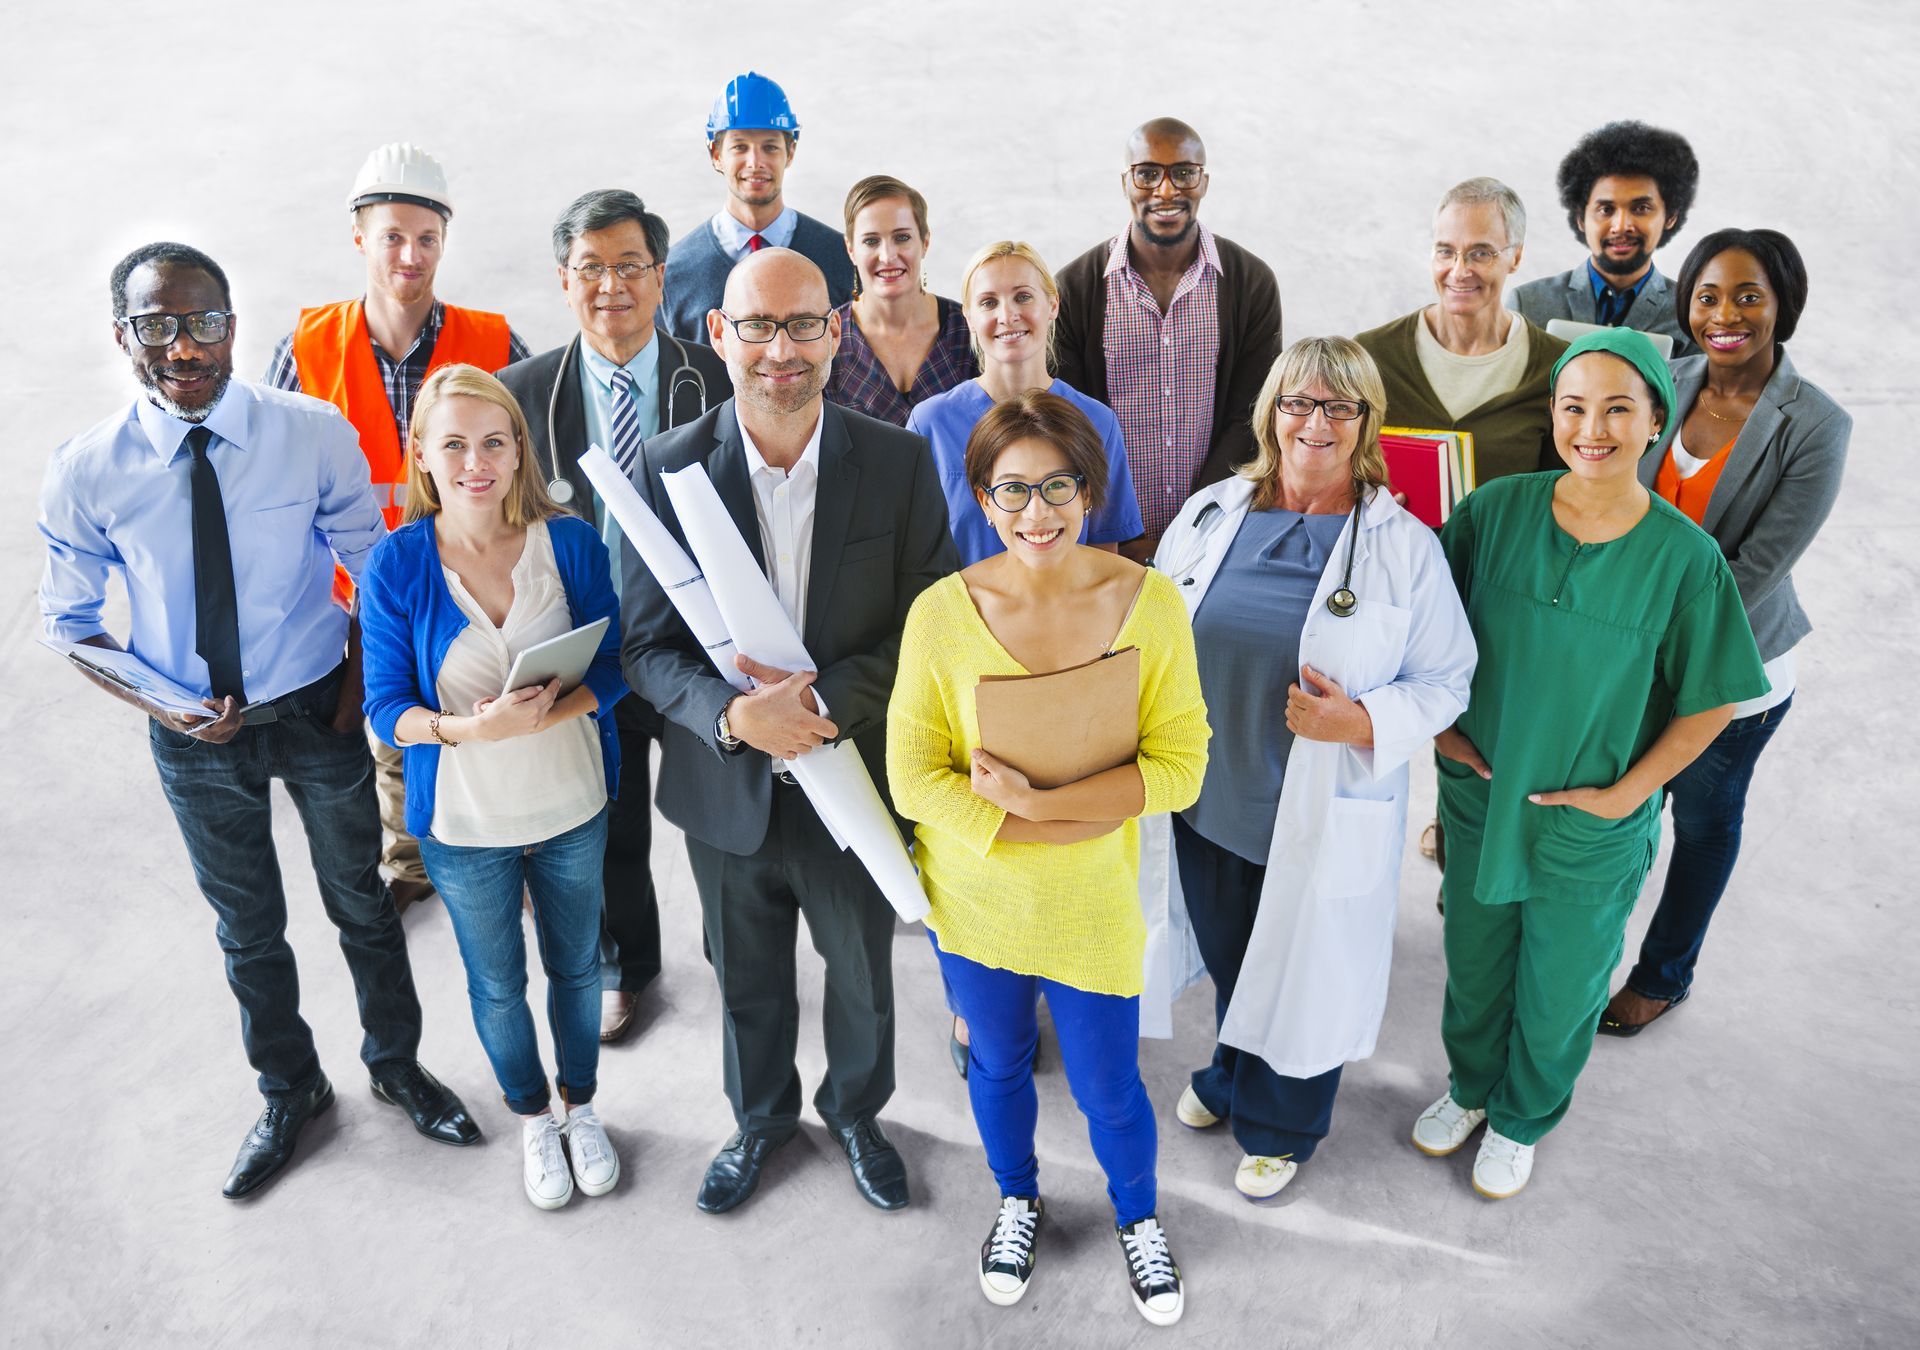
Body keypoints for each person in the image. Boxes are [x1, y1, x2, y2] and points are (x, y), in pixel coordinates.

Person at [38, 242, 477, 1200]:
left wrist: (362, 682)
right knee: (248, 928)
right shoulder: (87, 472)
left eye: (202, 321)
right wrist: (165, 704)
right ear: (125, 337)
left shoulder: (311, 433)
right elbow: (68, 626)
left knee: (363, 902)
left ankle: (396, 1065)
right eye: (157, 325)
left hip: (317, 708)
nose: (184, 345)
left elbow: (379, 570)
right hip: (194, 737)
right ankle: (290, 1089)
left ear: (232, 326)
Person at [620, 248, 957, 1217]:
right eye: (757, 327)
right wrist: (734, 718)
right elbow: (647, 650)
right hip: (725, 790)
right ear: (719, 336)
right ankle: (760, 1119)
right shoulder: (667, 467)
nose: (782, 350)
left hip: (850, 781)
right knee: (745, 977)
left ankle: (857, 1112)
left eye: (804, 324)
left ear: (836, 331)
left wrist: (825, 706)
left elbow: (926, 627)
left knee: (861, 974)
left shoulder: (895, 461)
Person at [1413, 329, 1768, 1200]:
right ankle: (1468, 1088)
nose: (1593, 427)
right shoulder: (1495, 513)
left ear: (1655, 420)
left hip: (1591, 824)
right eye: (1575, 407)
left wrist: (1629, 796)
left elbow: (1714, 698)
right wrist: (1439, 735)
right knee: (1477, 956)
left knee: (1563, 980)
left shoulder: (1685, 560)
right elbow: (1421, 630)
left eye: (1618, 408)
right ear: (1553, 415)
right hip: (1485, 799)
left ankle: (1523, 1115)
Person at [888, 389, 1209, 1324]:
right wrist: (1037, 826)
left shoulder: (1151, 605)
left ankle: (1137, 1216)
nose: (1038, 512)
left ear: (1091, 491)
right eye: (1013, 490)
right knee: (996, 1065)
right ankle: (1017, 1199)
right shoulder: (940, 615)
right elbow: (914, 778)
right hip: (977, 902)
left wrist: (1041, 803)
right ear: (982, 500)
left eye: (1059, 486)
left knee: (1110, 1087)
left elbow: (1182, 764)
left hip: (1093, 903)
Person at [1148, 338, 1475, 1198]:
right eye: (1299, 402)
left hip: (1320, 807)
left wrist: (1360, 719)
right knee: (1233, 956)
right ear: (1270, 412)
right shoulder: (1214, 509)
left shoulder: (1403, 545)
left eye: (1339, 406)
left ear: (1367, 422)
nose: (1315, 422)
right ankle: (1228, 1075)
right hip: (1206, 798)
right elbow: (1154, 624)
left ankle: (1280, 1126)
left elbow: (1448, 680)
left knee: (1305, 965)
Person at [359, 365, 627, 1211]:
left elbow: (616, 668)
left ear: (518, 452)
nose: (476, 461)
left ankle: (581, 1107)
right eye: (454, 445)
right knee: (497, 983)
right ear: (425, 458)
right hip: (466, 823)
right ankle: (532, 1117)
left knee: (578, 970)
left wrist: (555, 711)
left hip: (571, 802)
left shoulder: (573, 543)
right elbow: (384, 707)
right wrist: (471, 731)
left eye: (494, 442)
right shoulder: (399, 565)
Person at [267, 141, 532, 914]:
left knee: (486, 727)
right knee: (392, 742)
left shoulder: (492, 344)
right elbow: (269, 482)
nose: (409, 255)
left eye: (425, 237)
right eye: (391, 235)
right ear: (359, 237)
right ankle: (413, 869)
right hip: (353, 593)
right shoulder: (307, 348)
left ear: (444, 241)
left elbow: (527, 459)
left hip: (472, 581)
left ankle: (503, 858)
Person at [1599, 229, 1850, 1036]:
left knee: (1702, 820)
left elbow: (1758, 567)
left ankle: (1665, 973)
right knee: (1618, 807)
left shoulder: (1814, 424)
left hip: (1734, 662)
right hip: (1628, 648)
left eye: (1749, 296)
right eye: (1708, 295)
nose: (1725, 313)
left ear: (1783, 304)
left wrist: (1648, 648)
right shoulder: (1661, 383)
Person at [498, 189, 729, 1043]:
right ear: (564, 280)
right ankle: (622, 967)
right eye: (589, 268)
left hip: (705, 648)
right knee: (607, 823)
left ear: (661, 276)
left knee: (720, 816)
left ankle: (733, 949)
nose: (611, 286)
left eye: (629, 265)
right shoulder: (520, 396)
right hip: (592, 649)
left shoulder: (717, 376)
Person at [1053, 117, 1284, 559]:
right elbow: (1073, 424)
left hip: (1217, 535)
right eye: (1147, 173)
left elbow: (1251, 416)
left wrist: (1195, 526)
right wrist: (1116, 529)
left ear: (1204, 181)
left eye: (1183, 172)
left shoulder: (1250, 282)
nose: (1165, 190)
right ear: (1126, 182)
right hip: (1108, 537)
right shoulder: (1074, 289)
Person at [909, 241, 1144, 568]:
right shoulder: (931, 423)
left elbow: (1104, 556)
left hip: (1065, 616)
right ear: (970, 318)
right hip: (961, 616)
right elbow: (912, 551)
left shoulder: (1097, 422)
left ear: (1052, 305)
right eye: (989, 302)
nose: (1007, 316)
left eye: (1023, 297)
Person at [1357, 178, 1571, 487]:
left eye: (1480, 253)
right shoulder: (1371, 355)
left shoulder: (1558, 367)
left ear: (1516, 257)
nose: (1458, 271)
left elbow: (1562, 493)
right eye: (1446, 252)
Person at [658, 72, 857, 345]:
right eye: (739, 147)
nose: (755, 161)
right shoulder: (674, 273)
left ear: (791, 153)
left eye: (770, 148)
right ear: (716, 156)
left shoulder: (840, 259)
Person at [1509, 122, 1701, 355]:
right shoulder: (1528, 304)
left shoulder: (1691, 312)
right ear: (1581, 218)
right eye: (1606, 209)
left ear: (1670, 216)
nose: (1621, 226)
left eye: (1640, 208)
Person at [824, 174, 976, 425]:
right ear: (851, 249)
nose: (887, 256)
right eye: (871, 241)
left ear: (925, 242)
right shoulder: (827, 338)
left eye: (902, 237)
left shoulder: (969, 329)